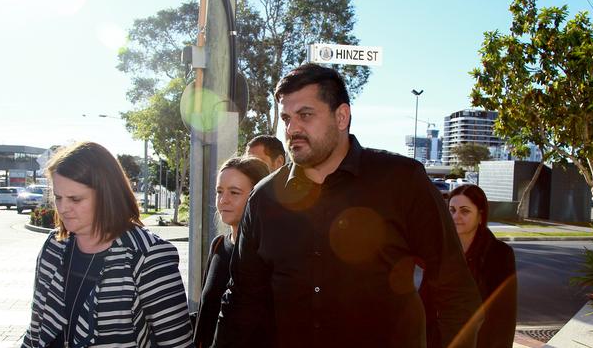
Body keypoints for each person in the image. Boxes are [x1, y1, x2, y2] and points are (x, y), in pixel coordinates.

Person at [213, 63, 482, 348]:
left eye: (305, 115)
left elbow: (455, 291)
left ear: (342, 117)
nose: (292, 129)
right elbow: (242, 300)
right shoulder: (264, 199)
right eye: (287, 118)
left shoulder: (401, 181)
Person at [22, 141, 193, 348]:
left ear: (106, 195)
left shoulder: (148, 256)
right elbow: (35, 330)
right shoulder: (54, 246)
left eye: (75, 199)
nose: (63, 208)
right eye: (58, 197)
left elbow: (177, 344)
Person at [193, 156, 270, 348]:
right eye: (219, 191)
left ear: (257, 197)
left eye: (234, 193)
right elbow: (206, 313)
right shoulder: (218, 245)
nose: (223, 200)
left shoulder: (268, 256)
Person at [448, 184, 517, 348]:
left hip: (481, 341)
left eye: (465, 211)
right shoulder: (441, 249)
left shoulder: (500, 254)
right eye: (452, 210)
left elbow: (504, 316)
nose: (456, 216)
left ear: (480, 216)